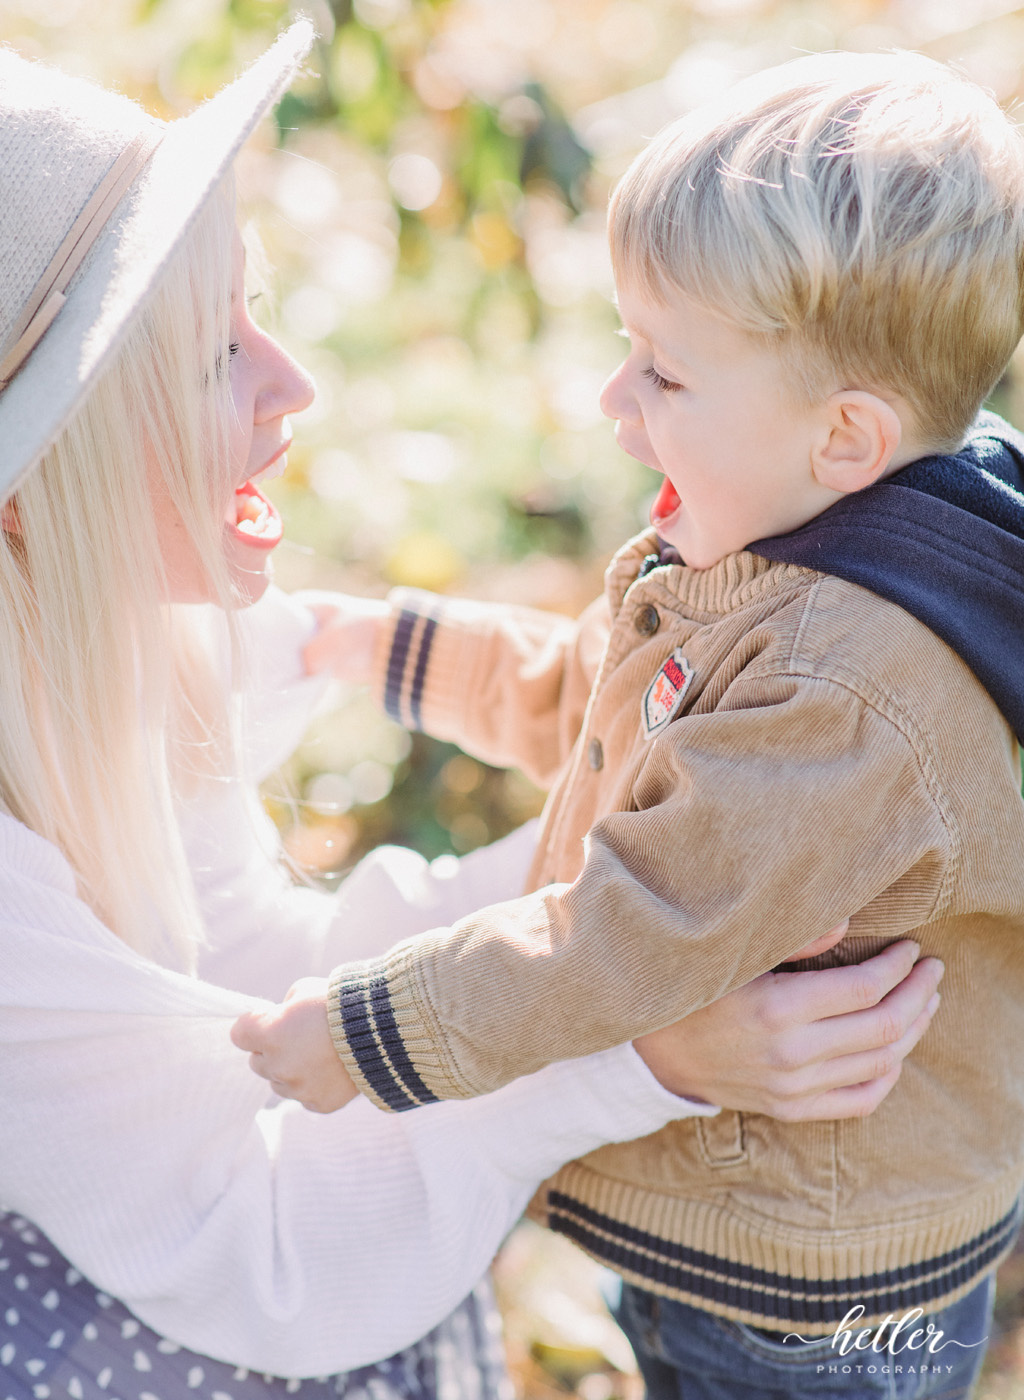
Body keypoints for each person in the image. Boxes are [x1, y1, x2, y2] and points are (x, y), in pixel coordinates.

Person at [0, 25, 944, 1400]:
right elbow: (264, 1246)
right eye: (213, 360)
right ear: (39, 485)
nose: (294, 387)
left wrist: (635, 885)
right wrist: (639, 1043)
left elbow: (244, 966)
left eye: (259, 313)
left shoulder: (97, 666)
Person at [239, 49, 1024, 1400]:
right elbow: (631, 720)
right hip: (741, 1206)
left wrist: (374, 1031)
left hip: (800, 1289)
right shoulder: (794, 540)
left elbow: (631, 924)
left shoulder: (843, 695)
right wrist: (403, 652)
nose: (615, 411)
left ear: (845, 434)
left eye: (660, 374)